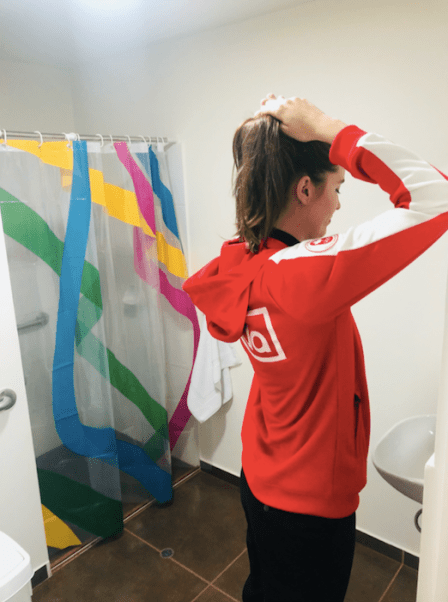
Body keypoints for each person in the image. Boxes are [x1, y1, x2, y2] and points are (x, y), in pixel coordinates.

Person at [182, 95, 448, 601]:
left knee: (263, 588)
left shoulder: (242, 260)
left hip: (260, 474)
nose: (341, 203)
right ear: (305, 188)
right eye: (337, 187)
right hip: (309, 506)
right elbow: (435, 195)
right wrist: (328, 128)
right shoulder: (300, 275)